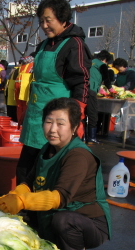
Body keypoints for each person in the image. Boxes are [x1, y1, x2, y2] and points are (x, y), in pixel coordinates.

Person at [0, 97, 111, 250]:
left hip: (87, 222)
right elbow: (30, 182)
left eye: (60, 123)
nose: (52, 129)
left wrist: (22, 201)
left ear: (74, 127)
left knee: (62, 221)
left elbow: (60, 197)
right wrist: (14, 195)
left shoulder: (78, 156)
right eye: (49, 122)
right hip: (58, 213)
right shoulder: (47, 148)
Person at [17, 0, 92, 184]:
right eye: (41, 21)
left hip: (57, 121)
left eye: (48, 20)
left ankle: (42, 210)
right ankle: (22, 208)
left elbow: (81, 83)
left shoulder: (74, 44)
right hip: (36, 117)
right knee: (25, 170)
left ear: (62, 18)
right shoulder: (43, 45)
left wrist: (76, 117)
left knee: (48, 172)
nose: (44, 26)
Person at [87, 50, 114, 144]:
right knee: (93, 114)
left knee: (82, 113)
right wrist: (111, 90)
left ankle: (81, 136)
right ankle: (92, 137)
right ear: (105, 59)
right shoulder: (102, 65)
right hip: (91, 91)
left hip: (81, 89)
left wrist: (100, 89)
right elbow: (106, 79)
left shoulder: (90, 62)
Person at [15, 56, 34, 126]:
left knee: (20, 107)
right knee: (25, 108)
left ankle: (20, 124)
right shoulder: (33, 66)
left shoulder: (21, 67)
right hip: (26, 90)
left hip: (18, 90)